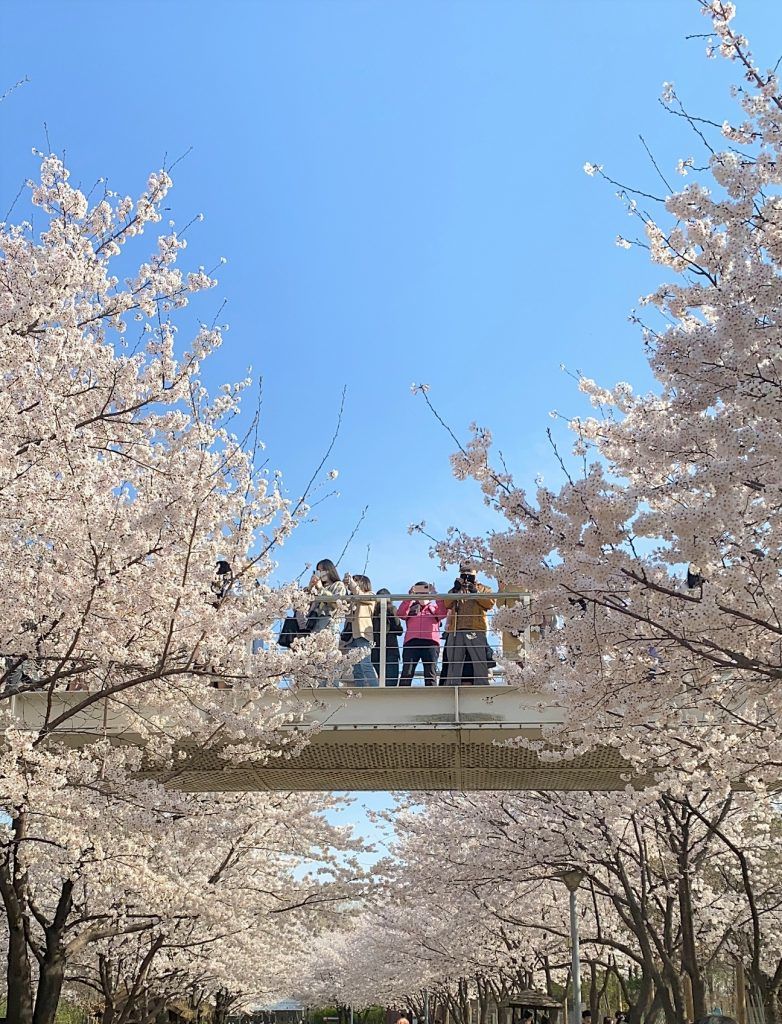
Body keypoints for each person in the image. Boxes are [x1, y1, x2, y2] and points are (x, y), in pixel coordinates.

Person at [442, 563, 494, 685]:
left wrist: (475, 592)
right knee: (454, 660)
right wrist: (455, 590)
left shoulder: (484, 589)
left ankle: (482, 686)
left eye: (469, 574)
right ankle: (452, 686)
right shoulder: (456, 589)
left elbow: (490, 603)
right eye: (464, 574)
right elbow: (446, 604)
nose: (466, 577)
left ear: (476, 574)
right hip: (456, 629)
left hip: (476, 628)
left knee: (479, 660)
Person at [397, 582, 447, 686]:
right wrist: (410, 597)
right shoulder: (411, 607)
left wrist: (435, 595)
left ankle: (432, 697)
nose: (422, 594)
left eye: (425, 592)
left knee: (430, 673)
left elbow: (443, 612)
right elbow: (400, 613)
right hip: (412, 642)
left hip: (431, 642)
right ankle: (402, 696)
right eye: (419, 592)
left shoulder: (433, 608)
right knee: (407, 671)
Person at [342, 573, 378, 686]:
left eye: (355, 581)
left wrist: (352, 585)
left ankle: (374, 688)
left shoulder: (370, 595)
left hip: (363, 633)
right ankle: (360, 688)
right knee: (356, 667)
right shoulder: (354, 598)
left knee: (365, 663)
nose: (353, 583)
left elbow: (361, 596)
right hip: (352, 636)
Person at [305, 559, 347, 634]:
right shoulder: (315, 589)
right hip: (314, 626)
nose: (320, 573)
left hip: (329, 624)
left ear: (329, 571)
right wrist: (310, 587)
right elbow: (304, 606)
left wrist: (321, 589)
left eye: (322, 570)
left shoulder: (338, 585)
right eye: (318, 571)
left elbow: (337, 604)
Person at [371, 588, 403, 685]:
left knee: (391, 681)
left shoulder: (392, 610)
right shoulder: (373, 613)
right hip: (376, 649)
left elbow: (398, 630)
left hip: (390, 648)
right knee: (379, 680)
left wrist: (390, 614)